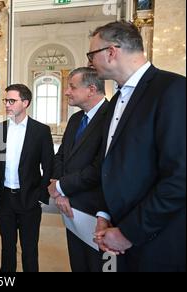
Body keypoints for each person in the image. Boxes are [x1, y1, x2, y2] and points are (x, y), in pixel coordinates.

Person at [89, 21, 186, 272]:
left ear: (111, 52)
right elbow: (110, 165)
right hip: (116, 236)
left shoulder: (173, 89)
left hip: (158, 242)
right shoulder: (116, 101)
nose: (90, 61)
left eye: (92, 54)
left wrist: (129, 232)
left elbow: (180, 177)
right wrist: (104, 215)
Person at [0, 84, 54, 272]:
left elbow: (48, 167)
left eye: (11, 101)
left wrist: (41, 194)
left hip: (29, 199)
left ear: (25, 102)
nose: (7, 104)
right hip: (5, 199)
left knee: (30, 250)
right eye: (6, 100)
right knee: (7, 248)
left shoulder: (40, 131)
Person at [47, 67, 109, 272]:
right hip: (70, 210)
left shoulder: (111, 118)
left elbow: (100, 168)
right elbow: (61, 156)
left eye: (72, 87)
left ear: (91, 89)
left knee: (103, 266)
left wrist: (62, 187)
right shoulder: (75, 119)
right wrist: (59, 192)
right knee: (78, 264)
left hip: (99, 213)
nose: (66, 92)